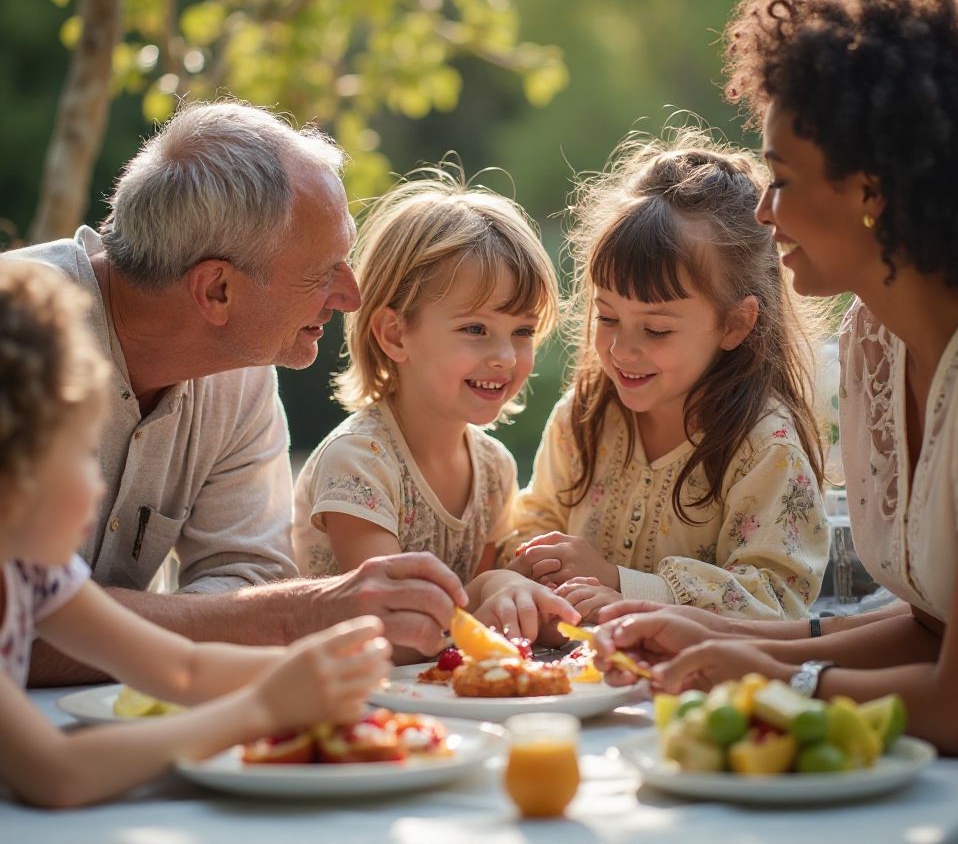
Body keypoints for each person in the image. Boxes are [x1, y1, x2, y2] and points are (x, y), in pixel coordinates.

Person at [592, 0, 958, 803]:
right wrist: (715, 638)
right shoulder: (873, 343)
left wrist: (776, 682)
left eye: (782, 180)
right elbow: (936, 626)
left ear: (872, 190)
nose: (763, 211)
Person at [7, 100, 468, 684]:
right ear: (217, 290)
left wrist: (256, 618)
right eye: (323, 271)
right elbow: (18, 618)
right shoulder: (17, 342)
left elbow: (249, 575)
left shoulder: (242, 364)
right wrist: (289, 617)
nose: (351, 296)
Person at [0, 260, 391, 807]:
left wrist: (318, 674)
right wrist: (263, 709)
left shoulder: (34, 573)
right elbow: (58, 774)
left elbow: (182, 668)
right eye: (79, 458)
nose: (98, 485)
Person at [494, 126, 830, 622]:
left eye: (655, 330)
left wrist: (623, 586)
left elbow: (777, 598)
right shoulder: (585, 416)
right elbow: (534, 519)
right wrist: (532, 570)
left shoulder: (765, 447)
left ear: (735, 324)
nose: (620, 349)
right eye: (606, 316)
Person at [293, 169, 578, 642]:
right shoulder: (358, 463)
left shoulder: (494, 470)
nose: (505, 357)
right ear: (395, 334)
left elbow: (468, 598)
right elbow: (392, 630)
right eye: (475, 329)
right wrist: (494, 600)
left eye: (522, 331)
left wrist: (511, 587)